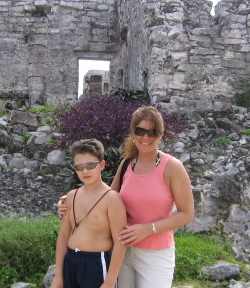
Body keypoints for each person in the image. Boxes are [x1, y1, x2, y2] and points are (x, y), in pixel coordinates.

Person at [59, 105, 195, 288]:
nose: (145, 137)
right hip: (123, 250)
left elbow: (187, 214)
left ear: (160, 134)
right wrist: (69, 203)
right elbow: (104, 198)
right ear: (132, 132)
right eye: (140, 131)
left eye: (152, 132)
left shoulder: (172, 167)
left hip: (155, 254)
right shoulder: (126, 165)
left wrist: (148, 229)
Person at [51, 138, 127, 288]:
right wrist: (58, 276)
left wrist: (110, 281)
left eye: (91, 165)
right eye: (80, 167)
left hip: (96, 264)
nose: (85, 171)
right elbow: (64, 236)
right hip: (71, 261)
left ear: (102, 165)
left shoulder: (112, 199)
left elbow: (120, 241)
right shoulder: (71, 196)